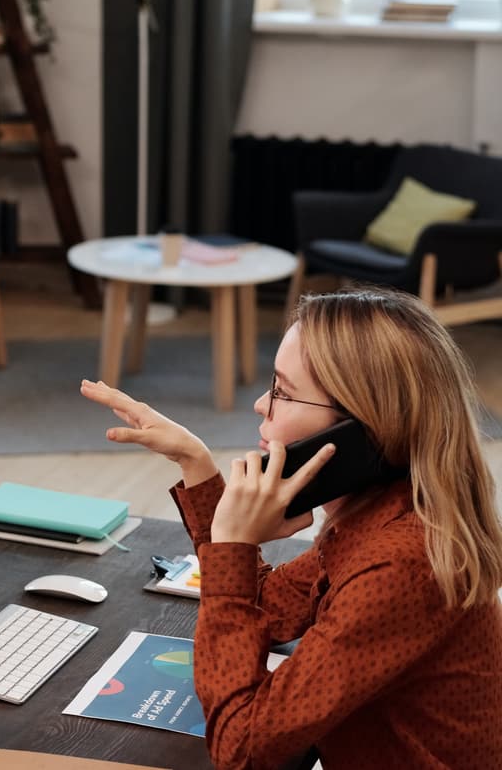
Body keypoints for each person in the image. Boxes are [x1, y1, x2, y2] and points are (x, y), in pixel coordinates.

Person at [81, 288, 502, 768]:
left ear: (358, 430)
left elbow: (241, 745)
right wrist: (196, 464)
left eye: (283, 391)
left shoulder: (401, 563)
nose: (262, 404)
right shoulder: (378, 515)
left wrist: (235, 542)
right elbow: (265, 609)